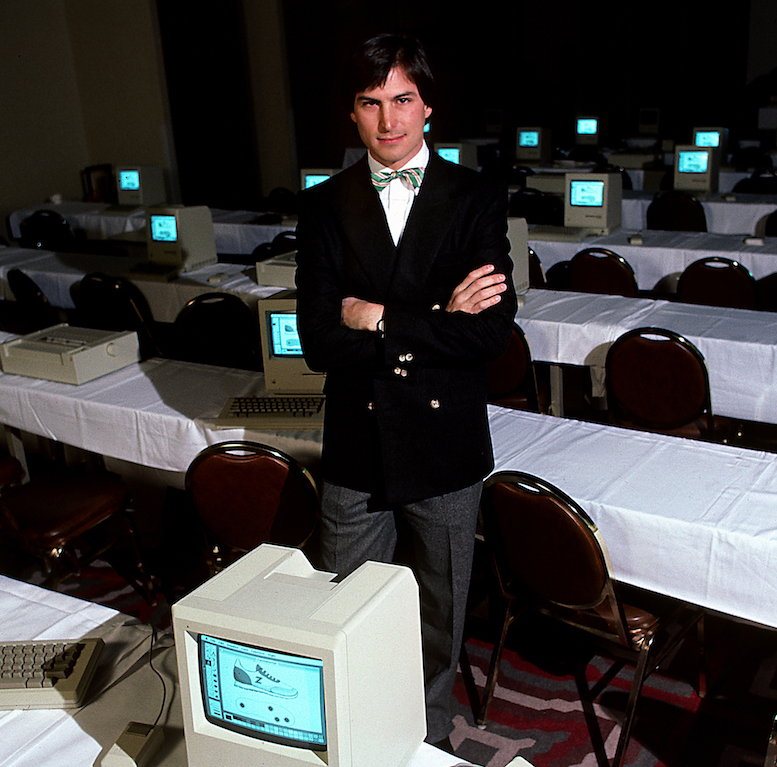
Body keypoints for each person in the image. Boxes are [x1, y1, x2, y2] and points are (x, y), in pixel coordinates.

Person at [294, 33, 516, 745]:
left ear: (429, 109)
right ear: (351, 115)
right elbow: (321, 343)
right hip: (357, 442)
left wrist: (381, 316)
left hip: (444, 441)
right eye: (371, 103)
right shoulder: (323, 206)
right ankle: (357, 729)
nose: (389, 121)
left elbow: (489, 336)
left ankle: (426, 733)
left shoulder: (475, 196)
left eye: (403, 100)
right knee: (346, 602)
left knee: (439, 611)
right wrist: (436, 320)